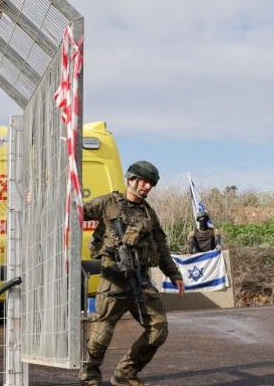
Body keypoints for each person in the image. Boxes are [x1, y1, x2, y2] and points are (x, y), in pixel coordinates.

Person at [80, 161, 185, 386]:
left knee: (159, 329)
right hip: (114, 280)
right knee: (101, 335)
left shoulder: (149, 213)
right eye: (144, 181)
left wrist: (174, 274)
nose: (147, 187)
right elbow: (75, 212)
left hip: (141, 281)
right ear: (131, 179)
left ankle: (125, 373)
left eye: (151, 184)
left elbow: (162, 246)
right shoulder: (108, 203)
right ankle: (89, 378)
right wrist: (40, 201)